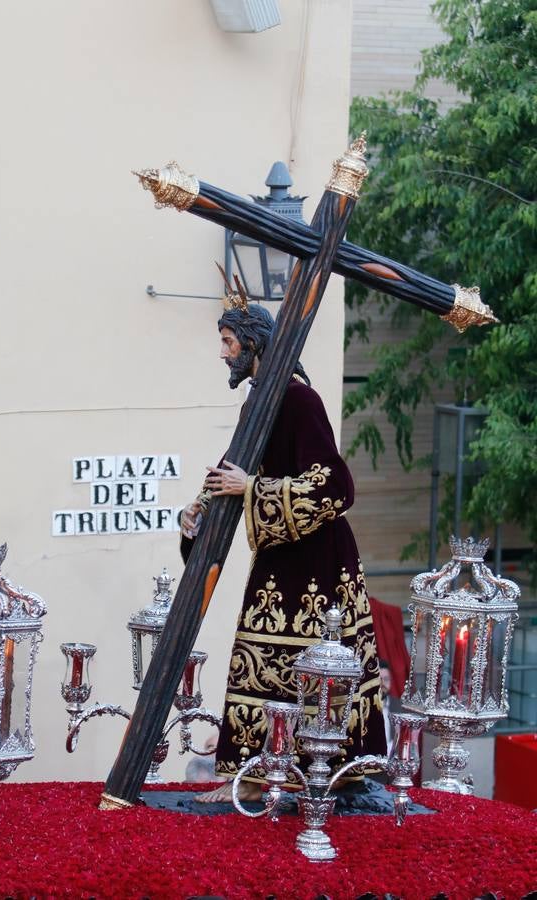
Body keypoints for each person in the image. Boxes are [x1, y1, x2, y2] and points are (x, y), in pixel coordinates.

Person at [180, 285, 386, 803]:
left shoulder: (299, 398)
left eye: (228, 341)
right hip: (281, 558)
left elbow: (336, 486)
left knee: (309, 665)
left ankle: (321, 772)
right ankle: (253, 772)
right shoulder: (261, 402)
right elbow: (234, 471)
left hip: (320, 562)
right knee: (259, 656)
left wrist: (251, 489)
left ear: (254, 344)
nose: (222, 351)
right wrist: (195, 515)